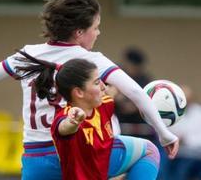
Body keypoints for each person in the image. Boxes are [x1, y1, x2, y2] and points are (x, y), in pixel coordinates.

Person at [0, 0, 178, 180]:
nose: (98, 33)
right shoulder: (91, 60)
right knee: (149, 151)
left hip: (35, 161)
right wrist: (164, 133)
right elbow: (135, 91)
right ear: (79, 32)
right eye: (96, 27)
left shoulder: (27, 55)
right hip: (81, 155)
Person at [15, 50, 161, 179]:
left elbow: (114, 91)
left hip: (97, 171)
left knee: (149, 150)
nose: (103, 86)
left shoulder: (105, 103)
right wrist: (73, 121)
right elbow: (63, 128)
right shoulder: (67, 116)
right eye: (97, 82)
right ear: (79, 92)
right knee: (149, 150)